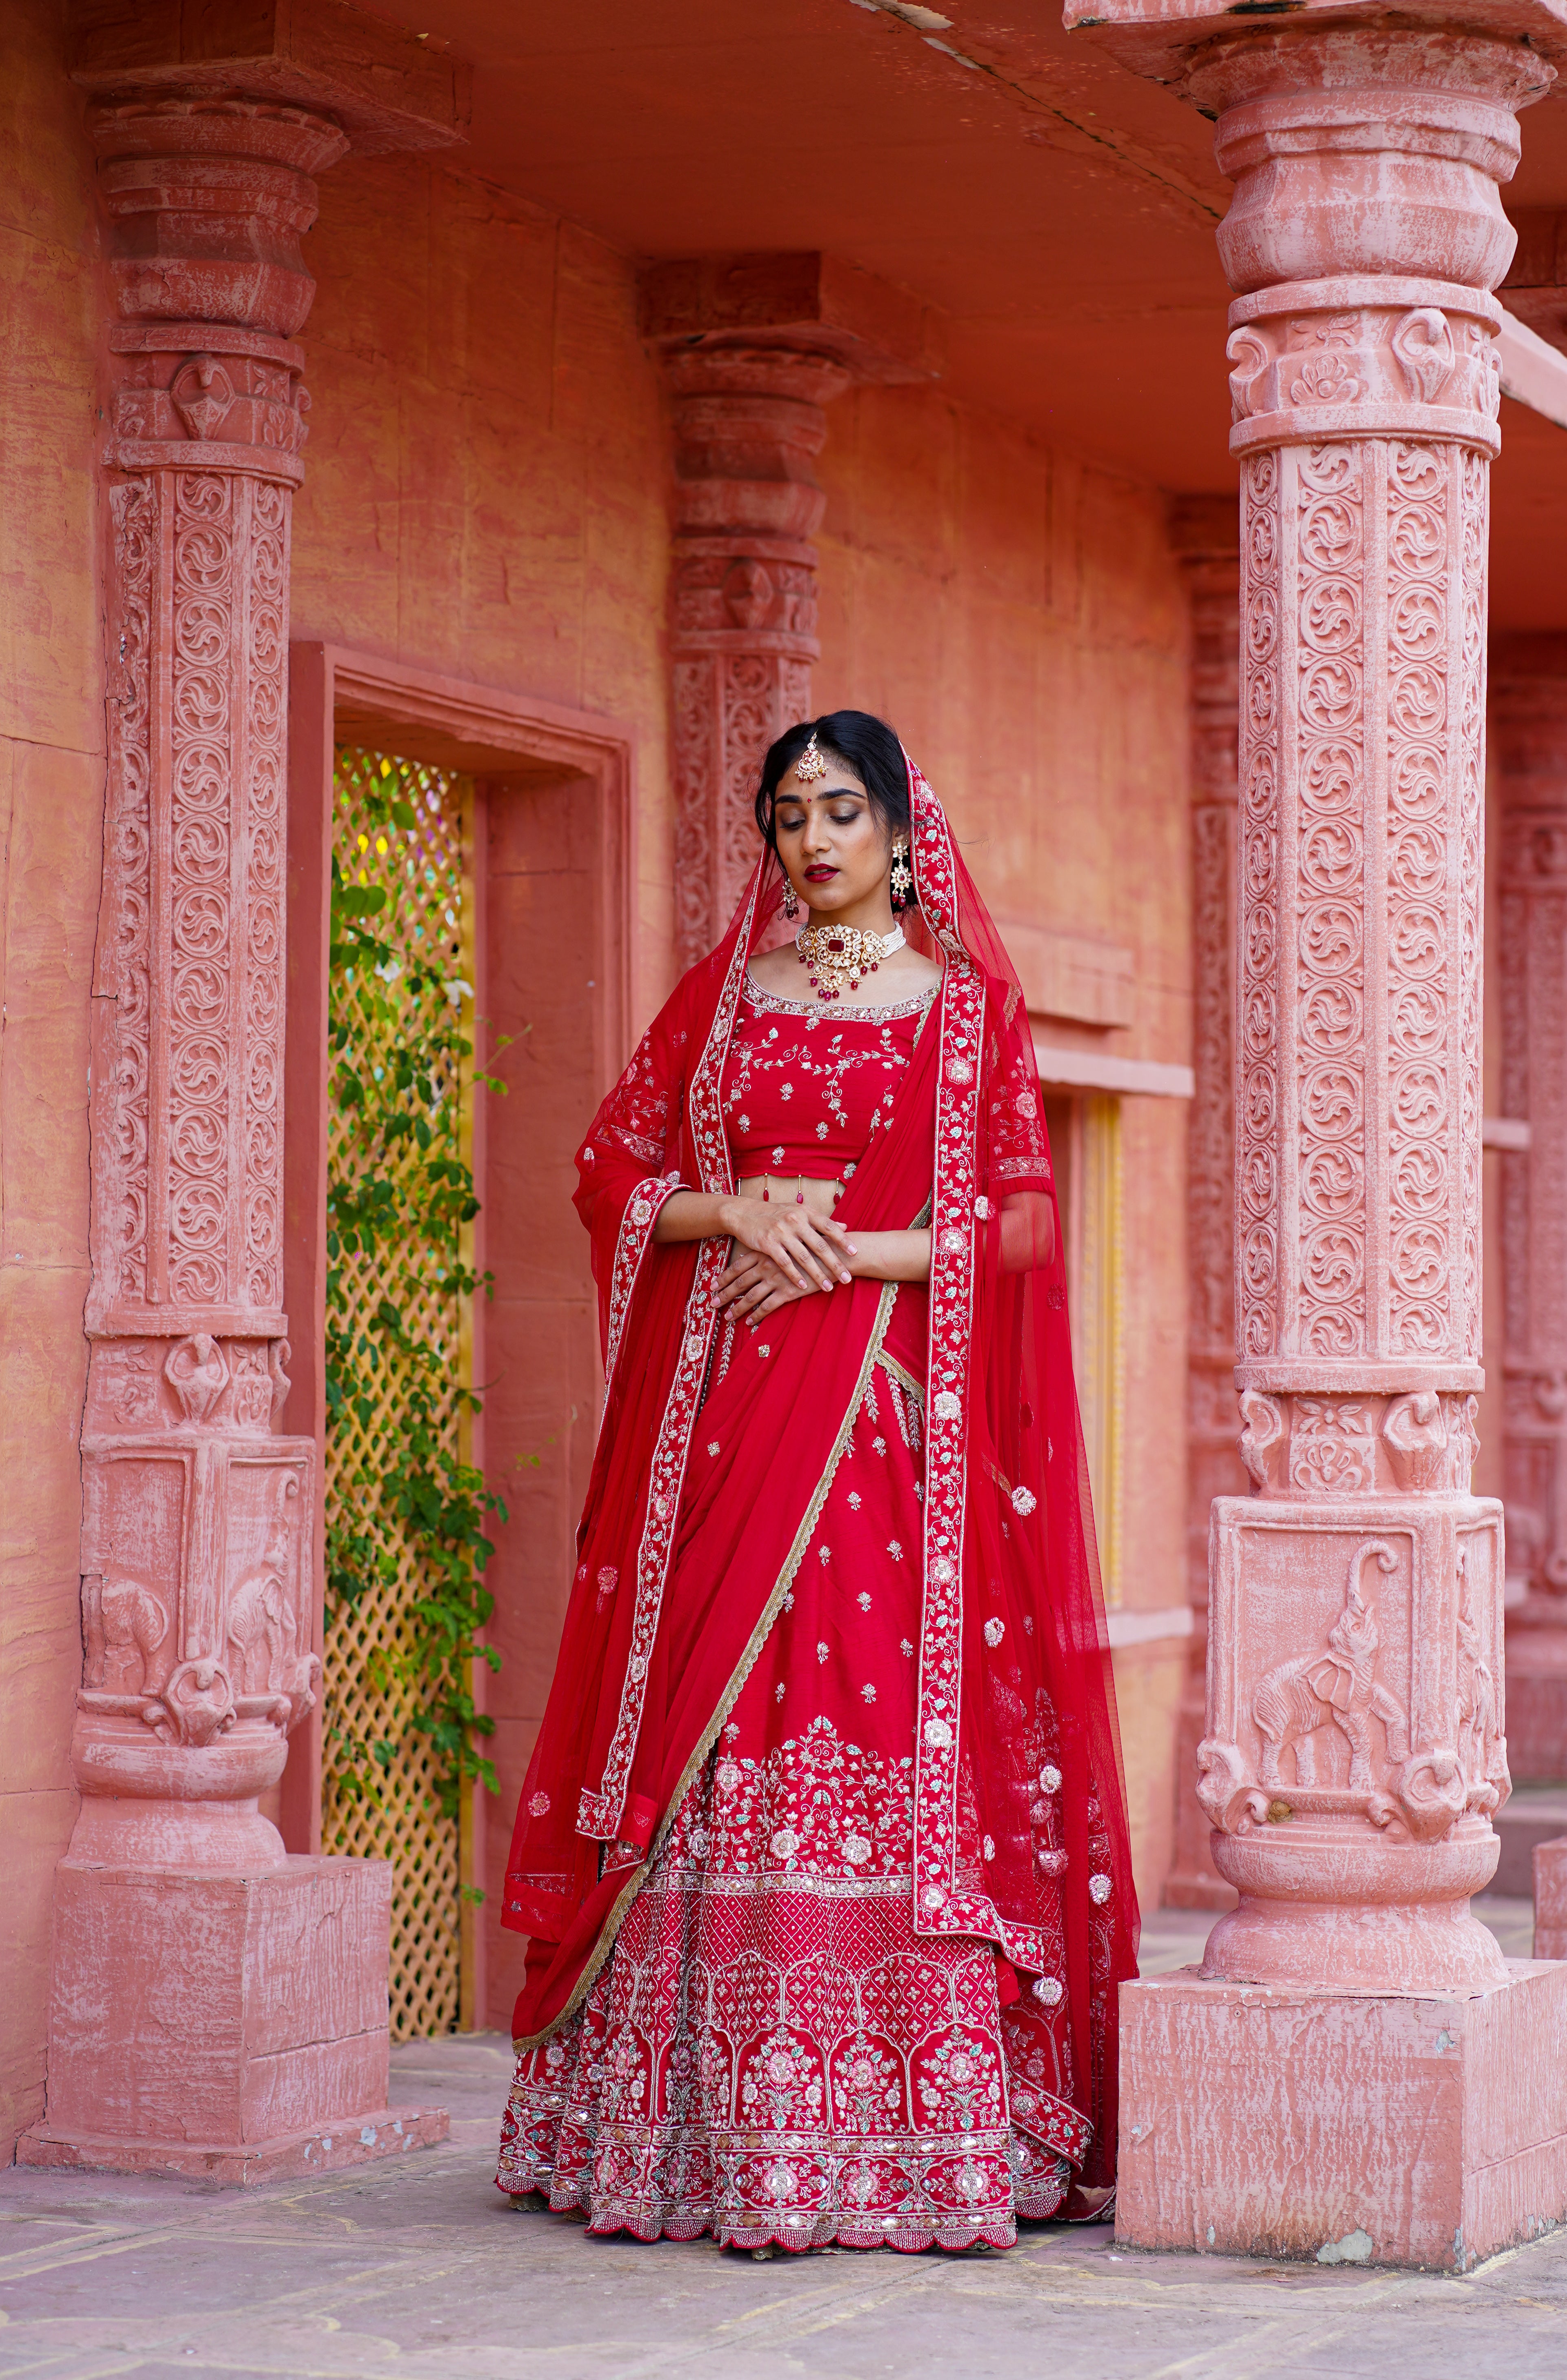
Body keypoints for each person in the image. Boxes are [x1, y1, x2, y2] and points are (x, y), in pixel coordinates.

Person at [496, 711, 1138, 2254]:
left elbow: (1025, 1222)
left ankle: (897, 2134)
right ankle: (692, 2137)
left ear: (903, 830)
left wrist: (850, 1250)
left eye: (841, 810)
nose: (813, 840)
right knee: (714, 1716)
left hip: (887, 1432)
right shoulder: (722, 1001)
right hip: (724, 1420)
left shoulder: (965, 1012)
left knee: (860, 1703)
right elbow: (610, 1167)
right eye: (787, 815)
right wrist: (735, 1214)